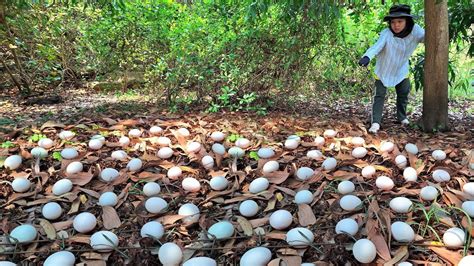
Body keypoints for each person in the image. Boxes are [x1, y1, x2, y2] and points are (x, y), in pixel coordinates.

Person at [358, 4, 425, 134]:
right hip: (384, 70)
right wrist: (367, 57)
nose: (396, 25)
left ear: (407, 21)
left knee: (404, 92)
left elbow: (428, 37)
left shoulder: (415, 30)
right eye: (393, 22)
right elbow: (376, 47)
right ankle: (376, 122)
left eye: (400, 21)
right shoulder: (387, 34)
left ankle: (402, 117)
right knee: (379, 95)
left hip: (401, 70)